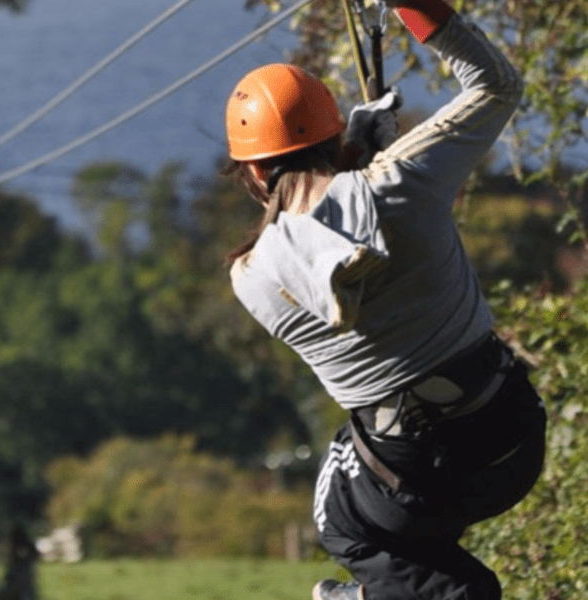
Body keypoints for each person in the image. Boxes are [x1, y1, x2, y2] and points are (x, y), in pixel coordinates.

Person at [221, 1, 546, 599]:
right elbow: (498, 84)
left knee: (340, 516)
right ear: (333, 138)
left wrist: (356, 163)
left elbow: (326, 240)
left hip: (411, 481)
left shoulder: (251, 279)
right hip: (513, 442)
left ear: (253, 175)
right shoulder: (406, 180)